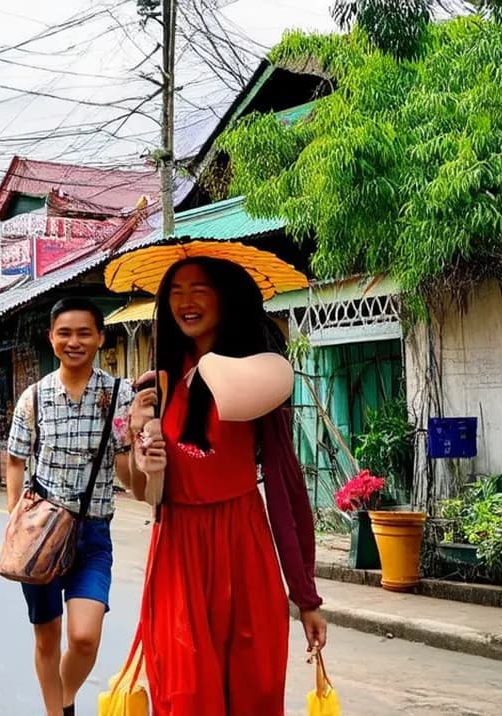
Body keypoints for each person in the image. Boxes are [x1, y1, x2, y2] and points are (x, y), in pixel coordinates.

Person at [121, 257, 327, 715]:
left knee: (254, 693)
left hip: (244, 548)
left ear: (226, 297)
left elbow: (286, 490)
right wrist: (140, 447)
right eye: (175, 291)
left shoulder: (257, 377)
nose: (185, 301)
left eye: (200, 288)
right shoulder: (155, 387)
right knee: (187, 697)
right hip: (178, 552)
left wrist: (306, 597)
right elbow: (143, 493)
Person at [5, 298, 135, 716]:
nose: (73, 342)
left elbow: (126, 465)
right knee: (47, 637)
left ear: (100, 338)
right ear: (51, 338)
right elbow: (15, 459)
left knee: (84, 638)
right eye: (64, 333)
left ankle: (64, 699)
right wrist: (15, 516)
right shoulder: (34, 396)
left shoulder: (121, 394)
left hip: (93, 534)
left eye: (83, 333)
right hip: (41, 533)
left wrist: (143, 459)